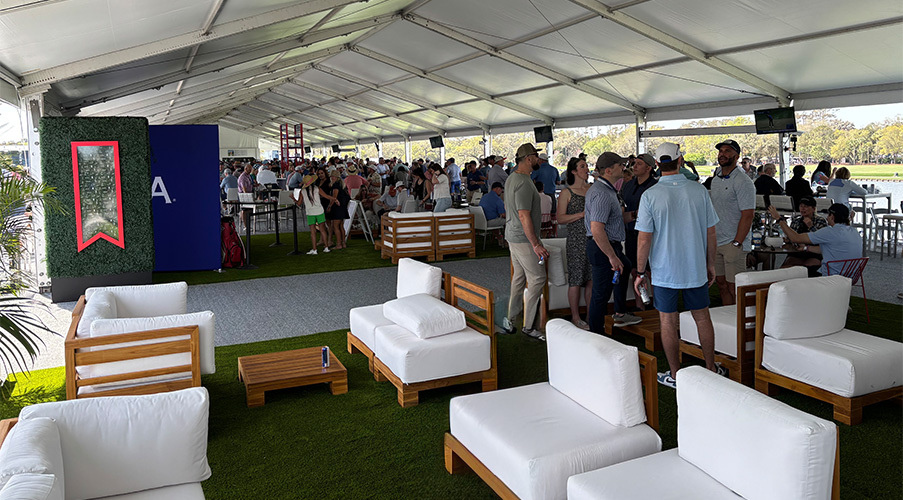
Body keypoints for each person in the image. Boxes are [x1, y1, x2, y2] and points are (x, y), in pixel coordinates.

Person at [635, 144, 720, 389]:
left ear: (657, 165)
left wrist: (640, 272)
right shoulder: (698, 190)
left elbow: (644, 238)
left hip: (664, 271)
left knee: (668, 321)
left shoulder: (650, 195)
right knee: (702, 317)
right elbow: (711, 232)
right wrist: (710, 263)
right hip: (695, 268)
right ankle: (710, 368)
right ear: (680, 160)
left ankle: (675, 374)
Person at [585, 152, 641, 334]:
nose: (624, 168)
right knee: (601, 294)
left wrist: (635, 214)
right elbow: (597, 229)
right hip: (603, 247)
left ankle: (619, 312)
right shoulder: (602, 194)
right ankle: (596, 334)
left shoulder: (608, 191)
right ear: (608, 170)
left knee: (625, 265)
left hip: (607, 245)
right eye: (620, 165)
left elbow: (614, 219)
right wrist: (611, 256)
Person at [501, 143, 549, 341]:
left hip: (513, 236)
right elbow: (523, 215)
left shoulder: (513, 178)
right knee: (537, 278)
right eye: (536, 156)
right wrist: (535, 243)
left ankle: (511, 318)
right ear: (528, 158)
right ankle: (529, 326)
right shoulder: (522, 182)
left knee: (519, 278)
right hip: (522, 238)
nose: (539, 160)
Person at [709, 139, 755, 306]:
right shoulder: (716, 179)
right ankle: (728, 318)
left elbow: (748, 215)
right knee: (721, 284)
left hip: (734, 243)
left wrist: (737, 242)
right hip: (717, 241)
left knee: (735, 287)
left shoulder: (743, 181)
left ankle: (741, 325)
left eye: (727, 151)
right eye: (721, 151)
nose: (722, 154)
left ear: (736, 156)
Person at [768, 203, 861, 276]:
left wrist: (779, 219)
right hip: (851, 275)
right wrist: (806, 248)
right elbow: (830, 249)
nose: (827, 217)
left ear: (832, 216)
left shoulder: (830, 231)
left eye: (828, 215)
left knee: (786, 270)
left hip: (831, 274)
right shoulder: (854, 231)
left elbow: (795, 238)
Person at [556, 157, 592, 329]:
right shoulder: (566, 193)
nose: (587, 169)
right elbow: (560, 218)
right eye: (582, 166)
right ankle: (576, 317)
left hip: (594, 239)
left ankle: (592, 315)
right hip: (576, 241)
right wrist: (581, 215)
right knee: (576, 280)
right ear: (574, 171)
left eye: (586, 166)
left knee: (592, 279)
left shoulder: (593, 189)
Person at [620, 153, 657, 310]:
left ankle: (657, 306)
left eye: (639, 164)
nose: (634, 166)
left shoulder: (655, 187)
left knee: (651, 271)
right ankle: (639, 304)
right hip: (630, 233)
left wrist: (635, 215)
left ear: (649, 168)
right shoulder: (628, 185)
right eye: (634, 163)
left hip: (650, 235)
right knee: (635, 270)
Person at [780, 197, 828, 276]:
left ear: (813, 209)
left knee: (808, 270)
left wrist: (811, 226)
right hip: (797, 252)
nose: (803, 209)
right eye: (801, 206)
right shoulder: (796, 221)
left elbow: (821, 239)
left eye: (806, 206)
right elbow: (792, 237)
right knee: (785, 269)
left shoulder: (820, 221)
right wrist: (788, 240)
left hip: (813, 253)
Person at [295, 175, 330, 255]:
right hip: (319, 211)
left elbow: (299, 203)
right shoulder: (317, 188)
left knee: (313, 232)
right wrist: (334, 199)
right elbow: (326, 196)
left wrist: (293, 199)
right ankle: (326, 247)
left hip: (310, 212)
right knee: (323, 230)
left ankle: (314, 249)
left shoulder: (303, 191)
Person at [324, 170, 350, 249]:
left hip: (337, 207)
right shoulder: (341, 185)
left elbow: (334, 197)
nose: (332, 178)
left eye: (333, 176)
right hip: (342, 207)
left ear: (336, 177)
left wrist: (329, 206)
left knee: (336, 226)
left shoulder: (335, 185)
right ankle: (343, 243)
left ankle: (339, 244)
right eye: (331, 176)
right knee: (341, 226)